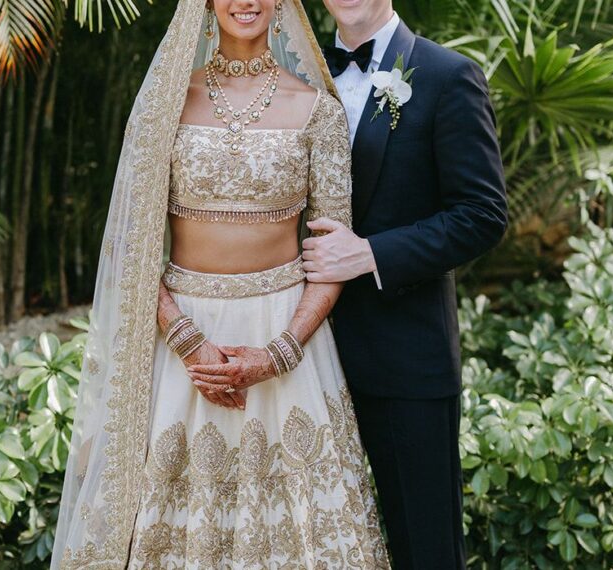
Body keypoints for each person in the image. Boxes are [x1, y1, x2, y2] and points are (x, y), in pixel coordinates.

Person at [50, 0, 390, 568]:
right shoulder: (165, 105)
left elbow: (332, 257)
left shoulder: (318, 111)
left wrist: (278, 353)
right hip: (184, 344)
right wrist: (187, 341)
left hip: (288, 343)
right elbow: (129, 244)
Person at [301, 1, 509, 568]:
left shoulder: (447, 76)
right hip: (304, 359)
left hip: (404, 359)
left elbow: (482, 214)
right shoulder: (297, 77)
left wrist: (369, 254)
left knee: (425, 552)